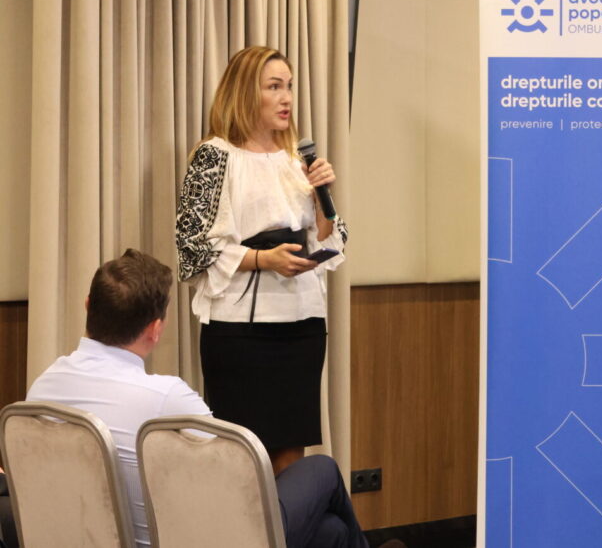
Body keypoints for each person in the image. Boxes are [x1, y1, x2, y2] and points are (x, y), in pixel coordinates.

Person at [26, 249, 375, 548]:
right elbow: (239, 484)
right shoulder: (167, 398)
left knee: (331, 532)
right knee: (322, 469)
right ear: (156, 329)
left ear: (88, 306)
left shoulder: (42, 389)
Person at [175, 45, 348, 475]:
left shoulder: (298, 160)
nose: (286, 97)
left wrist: (322, 199)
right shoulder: (214, 155)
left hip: (302, 327)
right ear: (245, 92)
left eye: (289, 86)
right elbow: (190, 248)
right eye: (274, 87)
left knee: (291, 459)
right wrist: (262, 259)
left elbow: (330, 237)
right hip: (241, 334)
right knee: (242, 461)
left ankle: (289, 520)